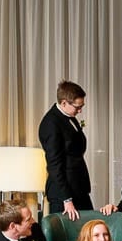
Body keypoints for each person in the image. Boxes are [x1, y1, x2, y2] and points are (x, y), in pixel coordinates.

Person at [38, 80, 92, 219]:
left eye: (82, 106)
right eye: (77, 107)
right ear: (63, 103)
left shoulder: (69, 116)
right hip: (64, 194)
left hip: (78, 188)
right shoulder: (51, 124)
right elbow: (54, 165)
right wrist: (67, 200)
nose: (80, 110)